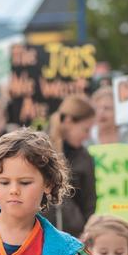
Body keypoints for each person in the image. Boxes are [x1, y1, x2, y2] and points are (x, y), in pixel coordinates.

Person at [45, 95, 97, 238]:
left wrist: (86, 234)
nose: (87, 136)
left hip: (72, 238)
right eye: (86, 129)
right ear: (68, 121)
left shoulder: (85, 157)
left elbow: (89, 204)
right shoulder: (37, 150)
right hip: (37, 235)